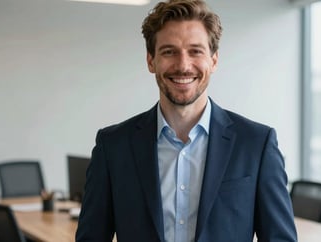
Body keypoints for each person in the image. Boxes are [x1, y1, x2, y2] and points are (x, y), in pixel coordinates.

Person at [75, 0, 297, 241]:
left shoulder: (256, 144)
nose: (183, 65)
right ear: (151, 61)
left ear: (213, 60)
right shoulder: (113, 146)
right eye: (169, 51)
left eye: (195, 51)